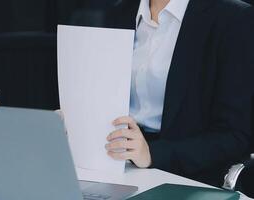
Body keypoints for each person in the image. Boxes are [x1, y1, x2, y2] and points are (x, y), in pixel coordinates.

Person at [101, 0, 254, 186]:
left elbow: (235, 136)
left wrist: (152, 154)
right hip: (117, 163)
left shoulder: (233, 17)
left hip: (187, 174)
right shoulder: (121, 11)